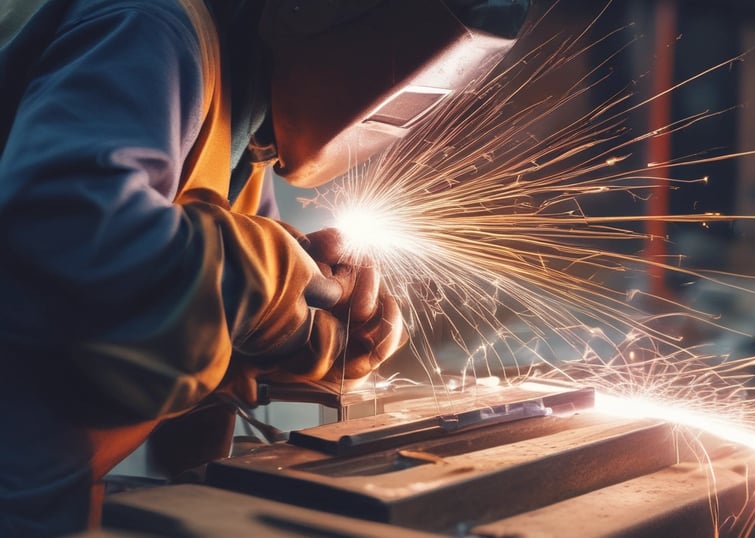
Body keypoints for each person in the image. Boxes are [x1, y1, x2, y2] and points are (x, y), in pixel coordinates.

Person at [0, 0, 528, 535]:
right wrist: (253, 282)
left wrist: (297, 343)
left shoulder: (245, 129)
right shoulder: (148, 26)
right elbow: (64, 244)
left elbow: (173, 341)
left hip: (46, 497)